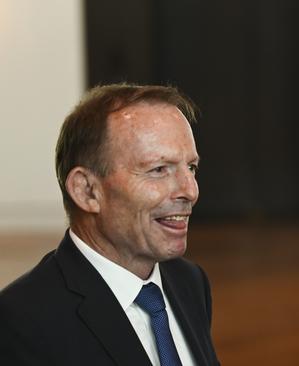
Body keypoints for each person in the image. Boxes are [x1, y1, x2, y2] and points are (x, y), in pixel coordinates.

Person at [0, 84, 220, 366]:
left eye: (191, 167)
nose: (190, 190)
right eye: (158, 170)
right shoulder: (21, 321)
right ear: (87, 191)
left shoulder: (189, 282)